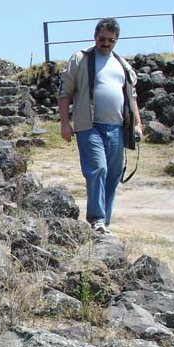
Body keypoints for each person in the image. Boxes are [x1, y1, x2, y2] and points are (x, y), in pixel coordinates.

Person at [58, 17, 143, 234]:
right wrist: (65, 124)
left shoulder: (122, 65)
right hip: (89, 126)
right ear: (95, 37)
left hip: (116, 128)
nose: (106, 43)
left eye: (110, 40)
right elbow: (65, 92)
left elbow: (132, 97)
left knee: (114, 174)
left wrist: (137, 125)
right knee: (98, 169)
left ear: (116, 40)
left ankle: (104, 223)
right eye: (102, 39)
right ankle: (96, 219)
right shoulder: (80, 59)